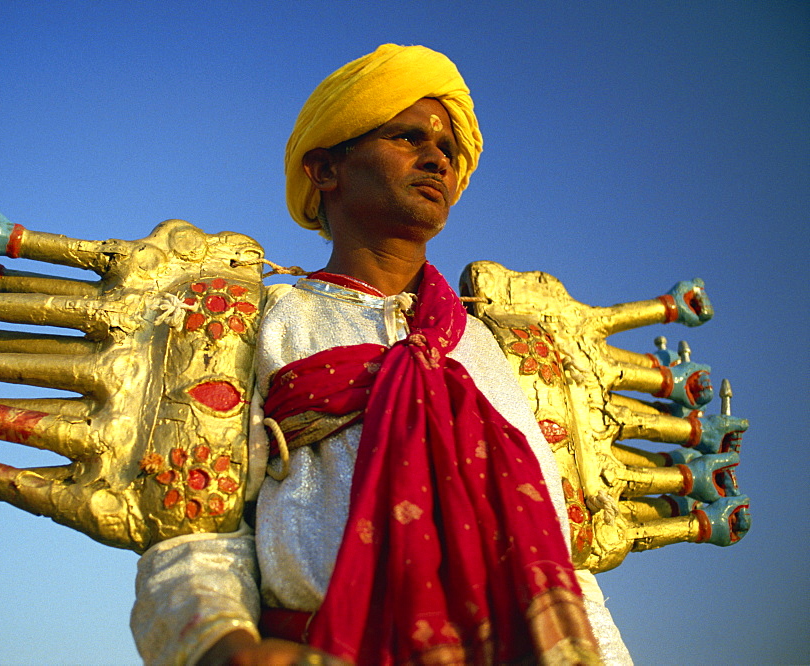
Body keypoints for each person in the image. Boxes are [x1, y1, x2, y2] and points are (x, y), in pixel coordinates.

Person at [130, 44, 632, 664]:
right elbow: (196, 533)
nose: (437, 158)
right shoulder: (258, 319)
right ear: (324, 170)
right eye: (407, 138)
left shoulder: (496, 350)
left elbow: (563, 565)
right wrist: (226, 648)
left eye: (448, 149)